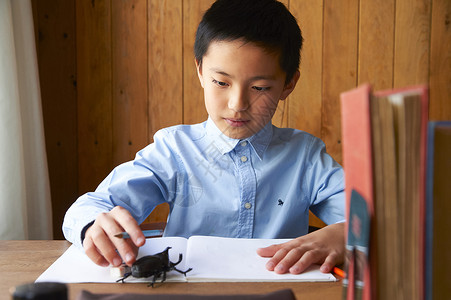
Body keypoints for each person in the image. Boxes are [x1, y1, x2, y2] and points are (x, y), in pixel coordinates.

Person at [63, 0, 345, 276]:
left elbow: (372, 217)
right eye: (221, 82)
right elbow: (89, 206)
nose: (237, 103)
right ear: (200, 71)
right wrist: (93, 225)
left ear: (288, 84)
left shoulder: (305, 157)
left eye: (259, 87)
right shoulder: (175, 150)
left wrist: (345, 234)